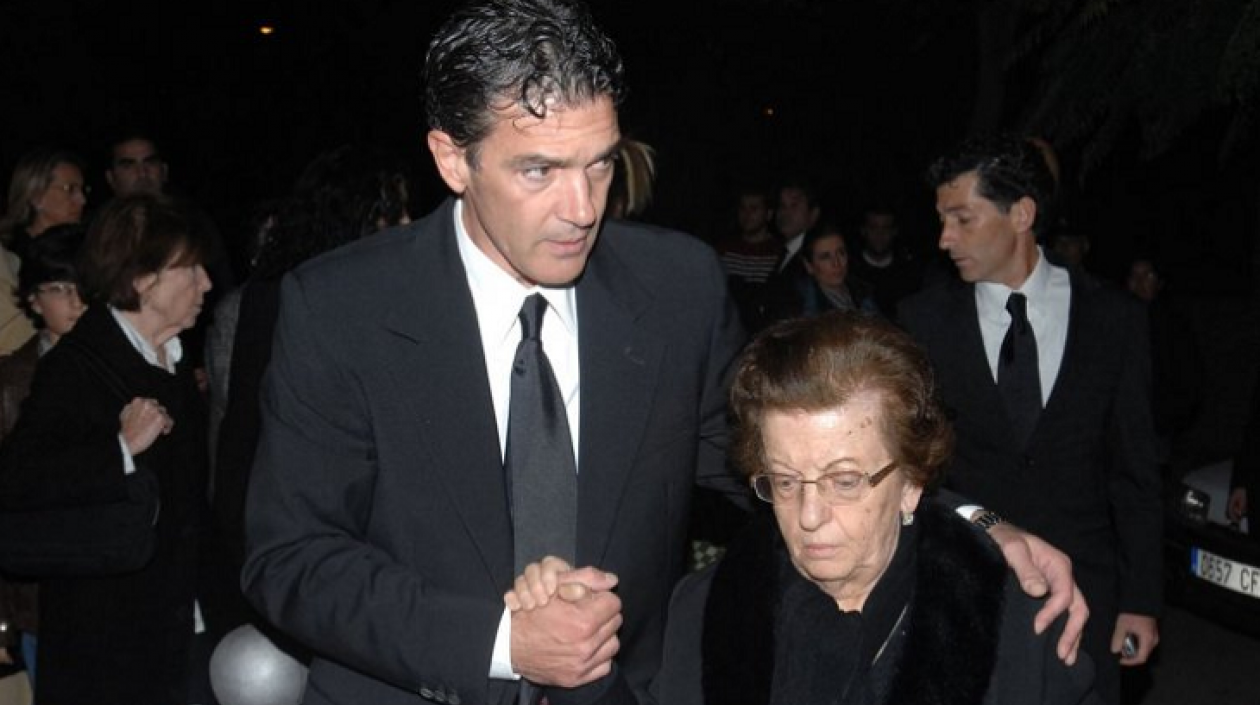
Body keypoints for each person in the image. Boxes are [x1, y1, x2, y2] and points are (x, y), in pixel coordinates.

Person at [241, 3, 1084, 705]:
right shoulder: (341, 305)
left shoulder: (673, 285)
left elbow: (781, 461)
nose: (582, 208)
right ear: (451, 158)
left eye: (600, 165)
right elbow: (290, 557)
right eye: (539, 170)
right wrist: (502, 639)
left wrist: (974, 524)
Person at [513, 313, 1101, 704]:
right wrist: (581, 664)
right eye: (786, 482)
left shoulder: (1011, 613)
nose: (810, 516)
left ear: (913, 482)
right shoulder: (709, 609)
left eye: (845, 481)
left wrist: (986, 521)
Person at [899, 135, 1162, 703]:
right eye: (941, 220)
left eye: (962, 219)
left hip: (1088, 598)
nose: (944, 239)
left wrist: (1141, 599)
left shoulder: (1114, 319)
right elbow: (914, 468)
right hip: (966, 588)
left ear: (1021, 214)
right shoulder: (922, 322)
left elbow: (1135, 472)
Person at [0, 195, 212, 705]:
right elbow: (17, 482)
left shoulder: (180, 363)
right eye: (190, 269)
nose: (206, 283)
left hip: (189, 628)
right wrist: (118, 448)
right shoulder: (75, 368)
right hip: (108, 650)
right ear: (142, 279)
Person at [0, 223, 88, 696]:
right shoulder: (10, 382)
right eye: (58, 289)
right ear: (33, 299)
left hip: (110, 585)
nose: (75, 302)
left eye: (82, 288)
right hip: (37, 597)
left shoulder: (124, 366)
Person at [0, 149, 88, 355]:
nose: (81, 199)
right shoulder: (11, 259)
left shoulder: (89, 247)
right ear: (35, 195)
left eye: (83, 190)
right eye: (70, 189)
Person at [793, 222, 878, 318]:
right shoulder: (801, 307)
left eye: (841, 253)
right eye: (825, 257)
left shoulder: (863, 292)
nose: (836, 263)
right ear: (809, 266)